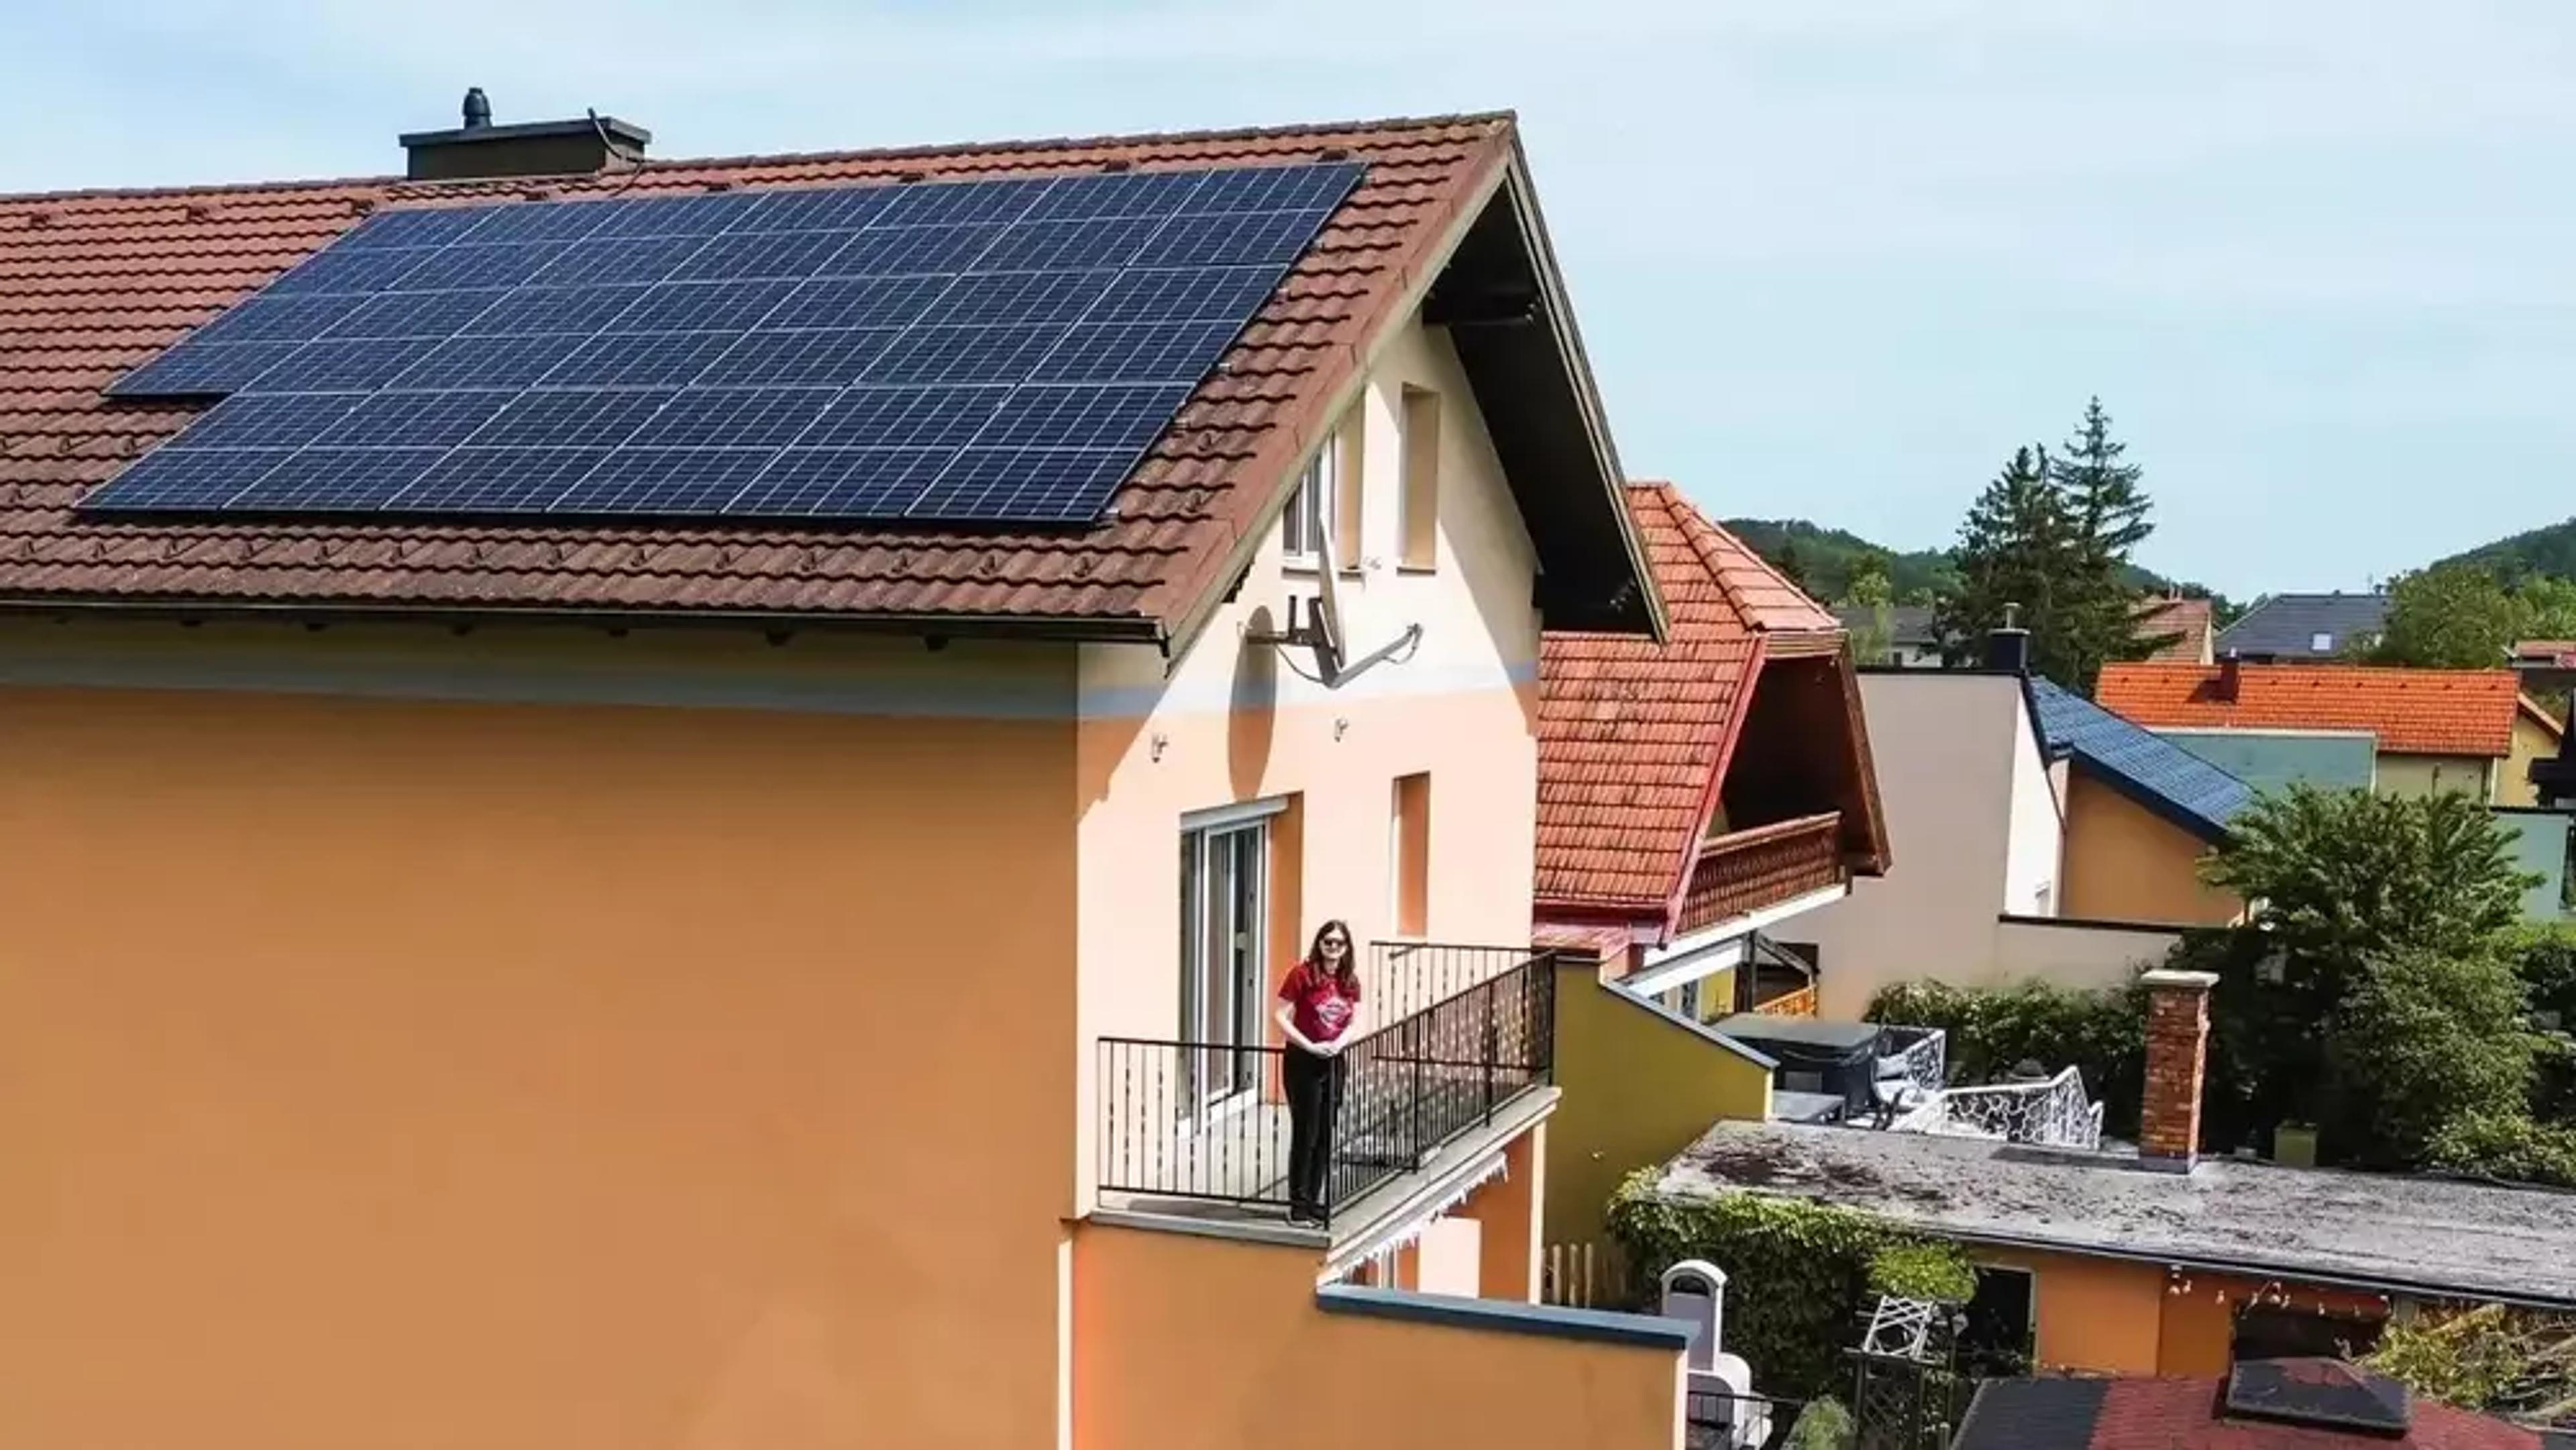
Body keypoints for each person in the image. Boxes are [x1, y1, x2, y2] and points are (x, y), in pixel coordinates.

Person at [1275, 919, 1366, 1225]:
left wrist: (1338, 1044)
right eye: (1328, 942)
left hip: (1333, 1060)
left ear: (1346, 948)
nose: (1333, 948)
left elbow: (1355, 1022)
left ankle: (1315, 1199)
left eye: (1339, 943)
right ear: (1319, 943)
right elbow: (1279, 1014)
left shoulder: (1349, 981)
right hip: (1303, 1060)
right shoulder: (1303, 974)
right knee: (1306, 1132)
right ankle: (1298, 1205)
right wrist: (1309, 1045)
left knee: (1326, 1133)